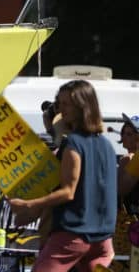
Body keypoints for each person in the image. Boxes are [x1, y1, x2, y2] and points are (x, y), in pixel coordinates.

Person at [8, 80, 117, 272]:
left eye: (66, 104)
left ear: (82, 105)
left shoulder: (74, 143)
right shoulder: (107, 146)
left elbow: (68, 192)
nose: (61, 109)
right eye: (60, 104)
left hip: (73, 235)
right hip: (104, 242)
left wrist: (29, 205)